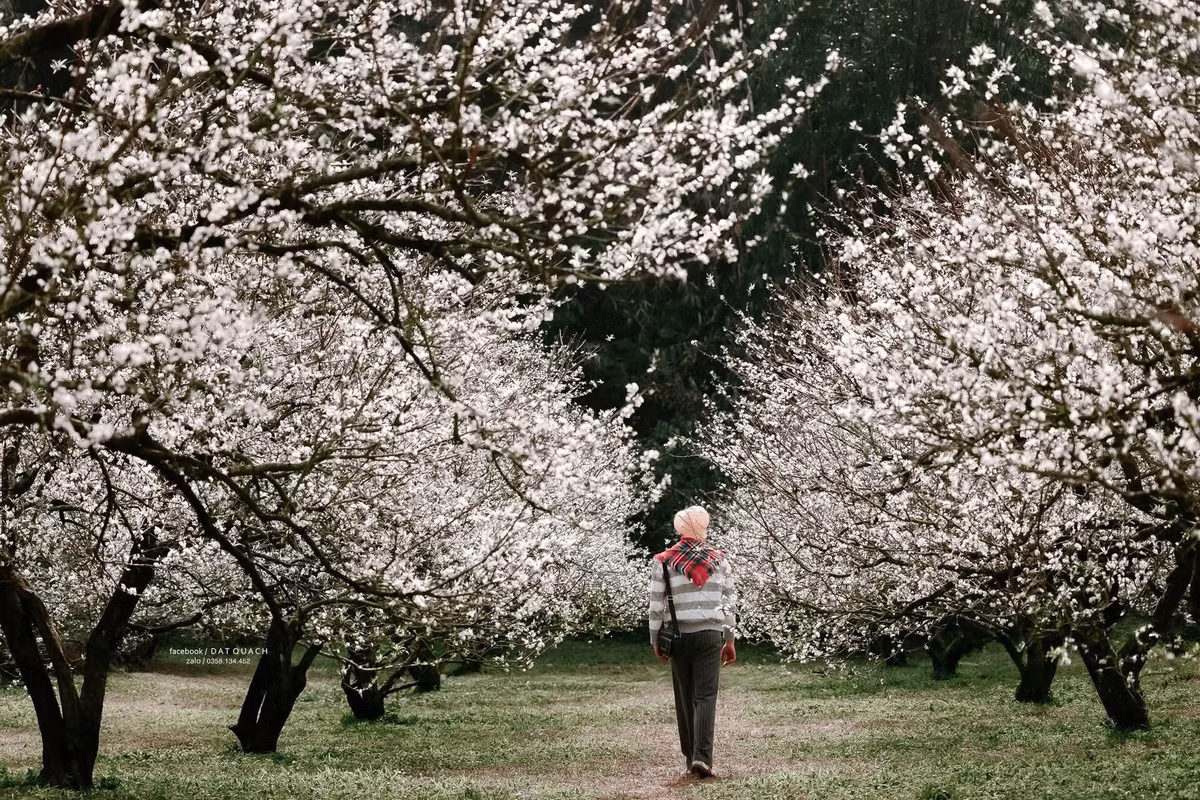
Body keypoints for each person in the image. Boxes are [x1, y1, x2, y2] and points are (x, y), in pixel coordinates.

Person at [647, 505, 736, 779]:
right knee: (706, 696)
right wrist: (729, 638)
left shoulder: (663, 561)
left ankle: (689, 759)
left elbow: (656, 605)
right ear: (704, 528)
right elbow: (728, 602)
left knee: (684, 698)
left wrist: (655, 639)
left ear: (679, 529)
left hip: (679, 636)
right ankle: (702, 758)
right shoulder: (720, 560)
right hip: (710, 635)